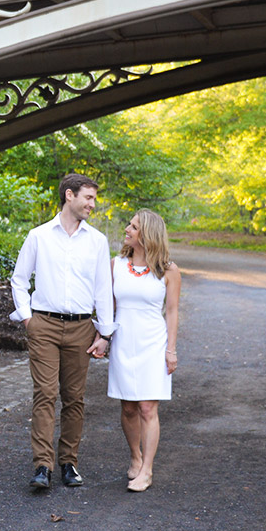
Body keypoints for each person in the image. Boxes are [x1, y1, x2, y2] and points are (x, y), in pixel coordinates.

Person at [10, 173, 115, 490]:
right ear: (69, 196)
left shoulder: (97, 241)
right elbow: (19, 279)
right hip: (44, 325)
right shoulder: (39, 236)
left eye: (94, 199)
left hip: (82, 328)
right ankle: (42, 466)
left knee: (74, 399)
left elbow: (102, 289)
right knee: (45, 395)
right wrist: (29, 320)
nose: (92, 205)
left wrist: (105, 334)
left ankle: (69, 463)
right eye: (88, 198)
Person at [104, 208, 181, 493]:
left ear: (147, 234)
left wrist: (171, 350)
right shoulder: (116, 265)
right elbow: (107, 305)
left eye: (134, 226)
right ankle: (135, 457)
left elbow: (171, 312)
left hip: (152, 342)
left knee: (148, 407)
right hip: (124, 341)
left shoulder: (169, 270)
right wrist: (103, 336)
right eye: (129, 225)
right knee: (127, 406)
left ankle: (147, 470)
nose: (127, 229)